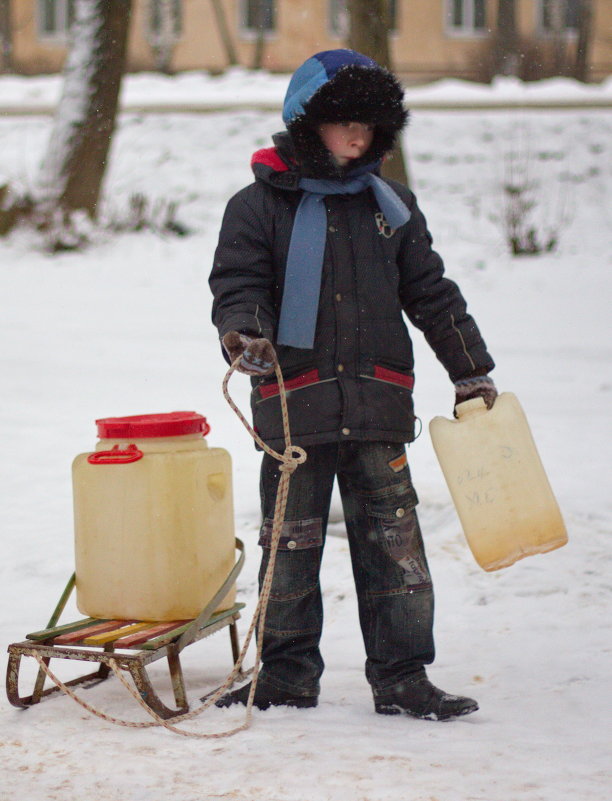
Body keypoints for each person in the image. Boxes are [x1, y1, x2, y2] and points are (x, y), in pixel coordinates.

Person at [209, 49, 497, 721]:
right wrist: (245, 333)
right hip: (295, 404)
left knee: (395, 548)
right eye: (345, 123)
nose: (358, 138)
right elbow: (239, 285)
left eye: (369, 126)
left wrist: (470, 367)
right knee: (290, 543)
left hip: (378, 403)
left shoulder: (392, 209)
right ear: (309, 124)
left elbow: (433, 294)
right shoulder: (258, 207)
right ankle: (284, 672)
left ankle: (402, 675)